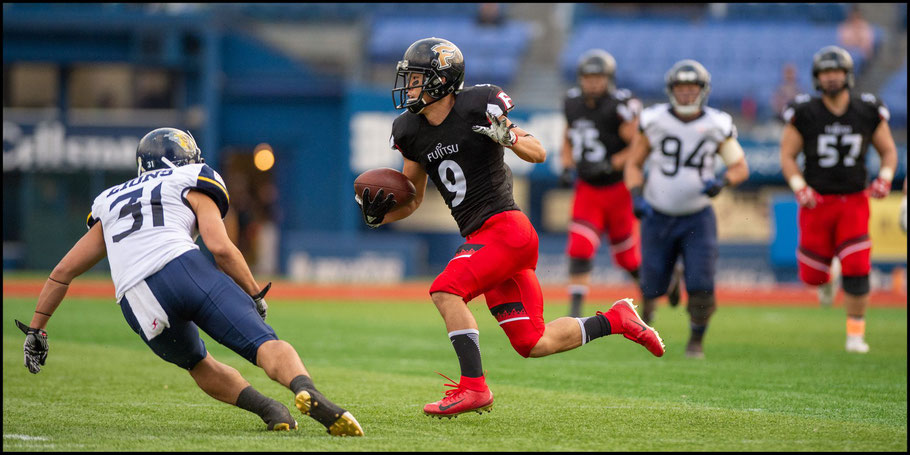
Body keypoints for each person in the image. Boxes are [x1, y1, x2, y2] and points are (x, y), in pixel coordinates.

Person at [358, 37, 665, 418]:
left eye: (418, 78)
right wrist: (379, 216)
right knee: (532, 341)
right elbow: (413, 199)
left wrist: (511, 137)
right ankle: (616, 319)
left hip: (505, 229)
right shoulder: (409, 130)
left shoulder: (478, 103)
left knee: (445, 290)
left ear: (442, 79)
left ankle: (474, 388)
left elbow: (539, 152)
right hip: (484, 239)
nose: (410, 87)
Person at [15, 128, 363, 436]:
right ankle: (305, 389)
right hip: (182, 267)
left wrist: (37, 330)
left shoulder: (110, 200)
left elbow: (62, 272)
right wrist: (254, 293)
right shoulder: (191, 178)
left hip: (136, 299)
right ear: (184, 160)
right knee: (263, 343)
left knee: (198, 363)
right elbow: (220, 247)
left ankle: (269, 410)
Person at [624, 59, 750, 359]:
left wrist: (723, 182)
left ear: (702, 90)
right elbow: (634, 164)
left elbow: (740, 167)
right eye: (681, 88)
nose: (686, 94)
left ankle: (696, 341)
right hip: (658, 213)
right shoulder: (654, 120)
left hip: (697, 215)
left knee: (702, 283)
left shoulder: (717, 124)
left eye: (692, 88)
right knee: (651, 285)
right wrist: (637, 196)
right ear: (671, 90)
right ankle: (664, 288)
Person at [779, 45, 898, 353]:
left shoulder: (867, 109)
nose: (831, 78)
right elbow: (788, 155)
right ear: (817, 77)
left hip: (854, 200)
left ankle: (855, 335)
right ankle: (828, 277)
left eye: (836, 71)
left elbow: (888, 151)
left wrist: (884, 178)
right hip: (816, 202)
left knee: (858, 267)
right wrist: (798, 186)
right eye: (825, 72)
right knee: (812, 277)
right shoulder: (805, 111)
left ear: (848, 75)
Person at [559, 49, 676, 318]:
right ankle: (575, 312)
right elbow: (568, 135)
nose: (593, 83)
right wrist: (566, 165)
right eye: (588, 77)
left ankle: (653, 291)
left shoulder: (619, 106)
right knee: (580, 245)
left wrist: (612, 163)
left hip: (618, 189)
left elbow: (639, 144)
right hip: (588, 188)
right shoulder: (572, 102)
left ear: (609, 78)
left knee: (627, 257)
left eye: (598, 77)